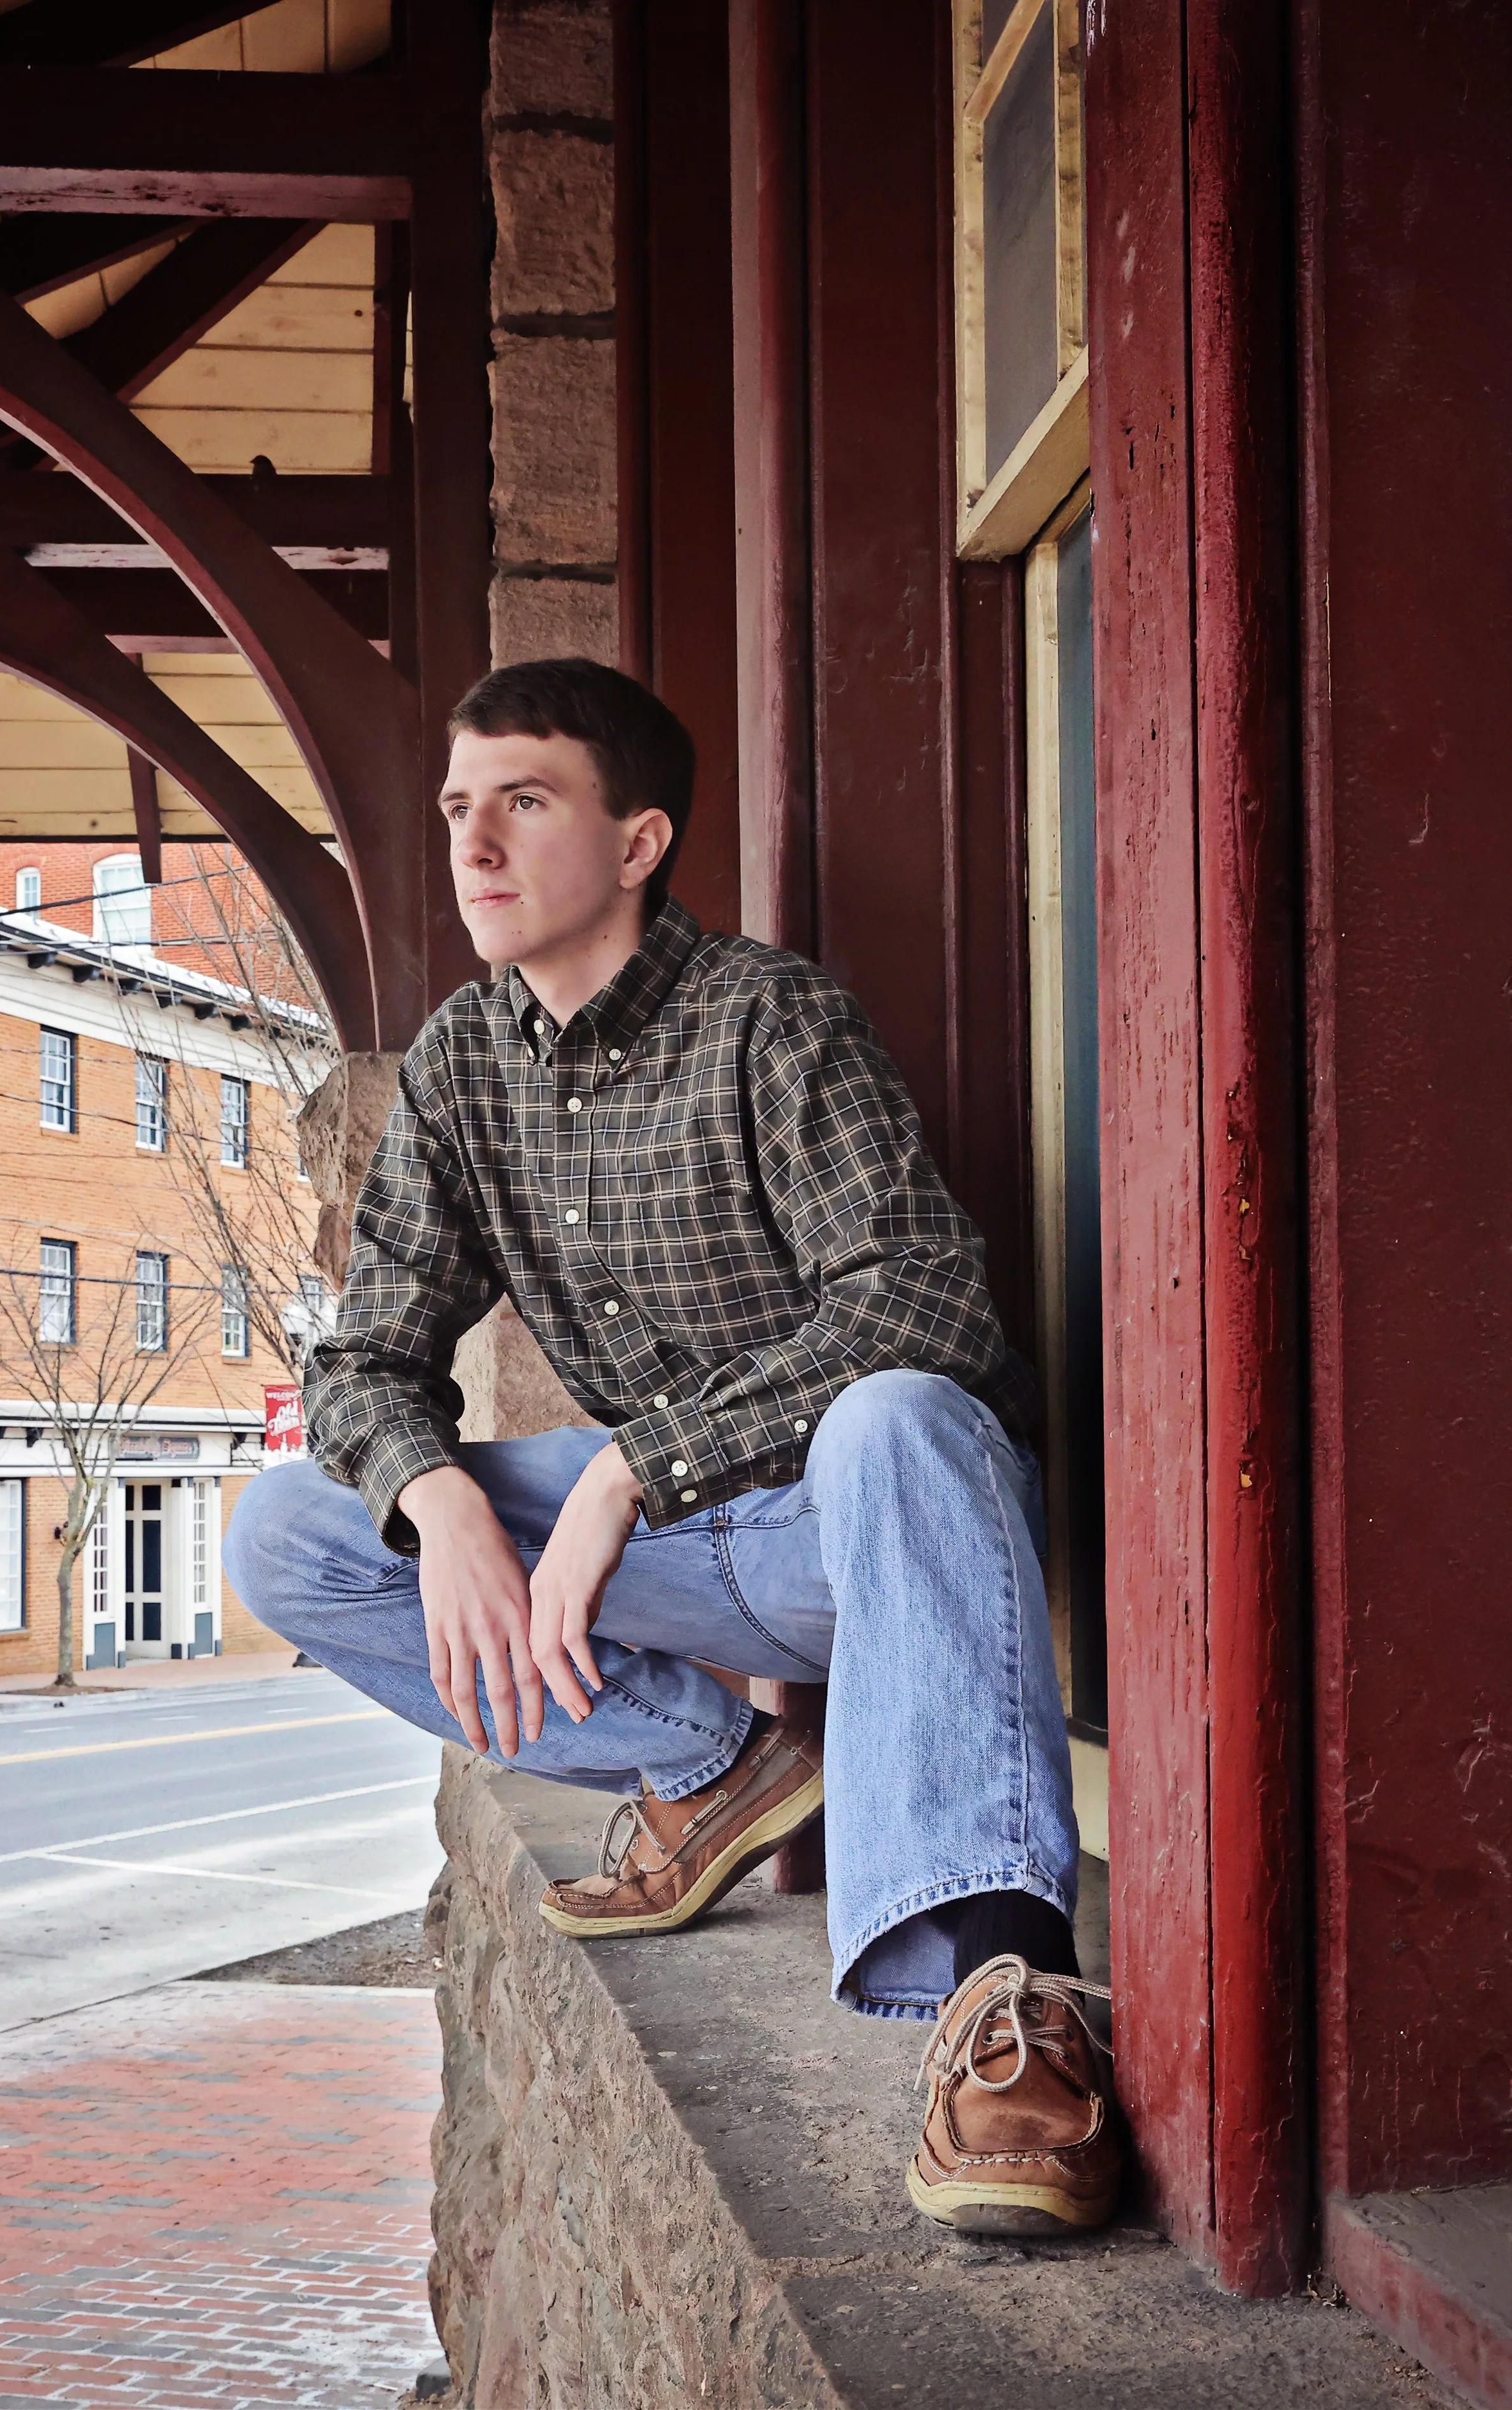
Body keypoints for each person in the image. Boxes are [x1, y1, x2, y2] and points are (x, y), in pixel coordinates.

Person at [224, 657, 1118, 2235]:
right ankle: (709, 1761)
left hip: (859, 1536)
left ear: (635, 843)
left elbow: (922, 1297)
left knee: (898, 1407)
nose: (475, 846)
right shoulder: (457, 1067)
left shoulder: (771, 1018)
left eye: (523, 802)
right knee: (289, 1527)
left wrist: (632, 1466)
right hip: (673, 1567)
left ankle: (1001, 1996)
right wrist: (438, 1499)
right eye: (455, 809)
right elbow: (364, 1356)